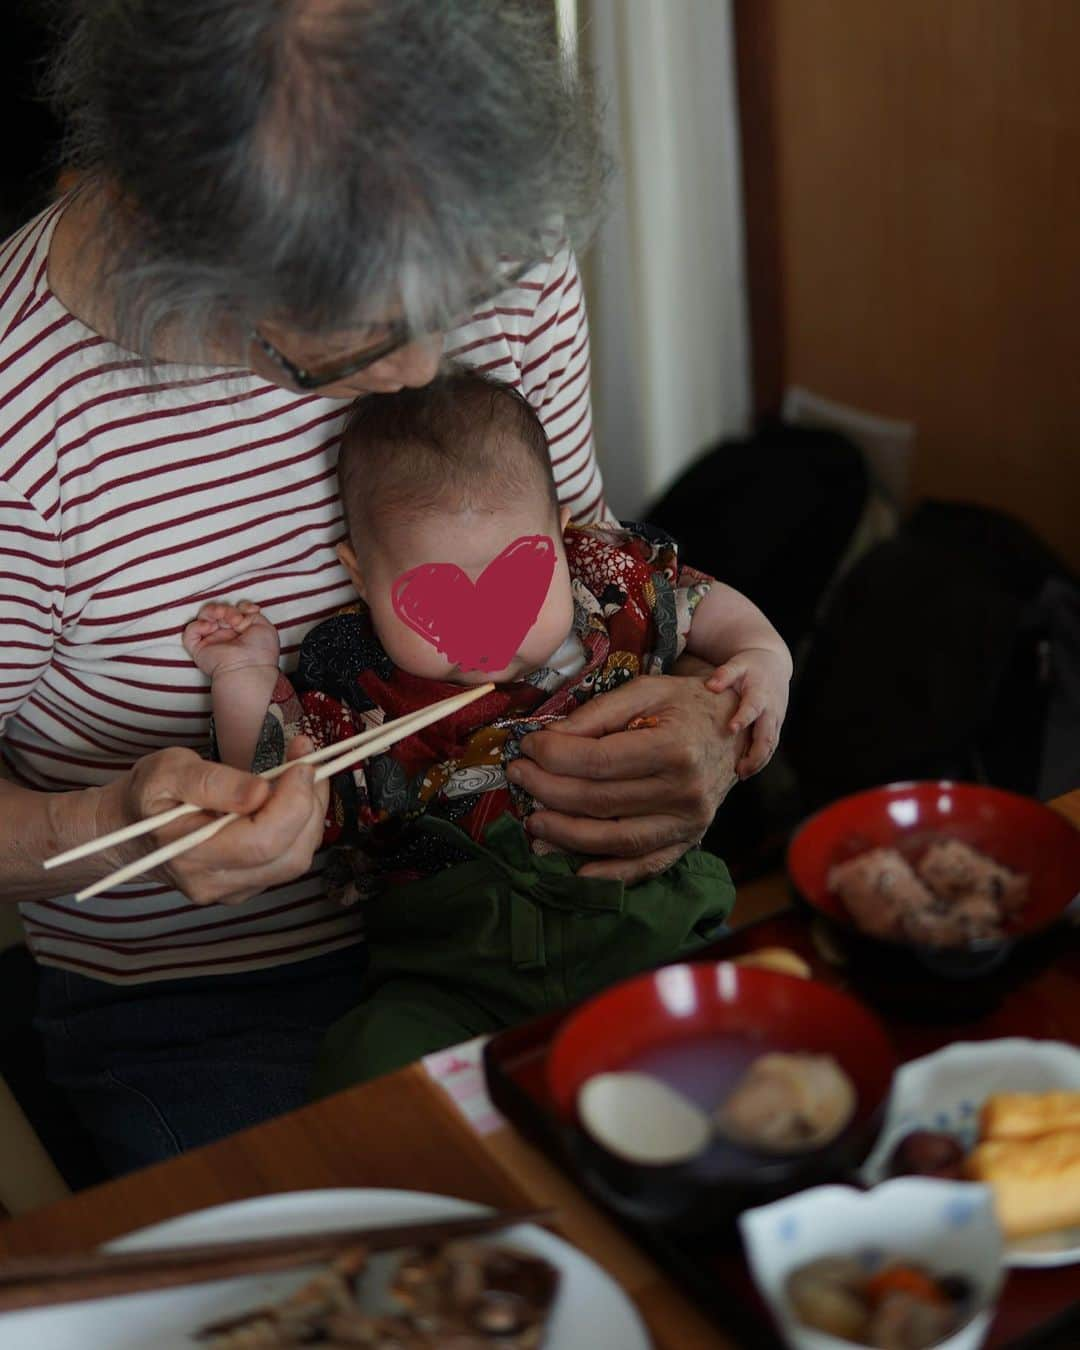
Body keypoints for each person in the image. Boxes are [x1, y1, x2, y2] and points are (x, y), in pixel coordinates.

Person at [0, 0, 745, 1176]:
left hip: (541, 899)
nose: (414, 370)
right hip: (220, 1004)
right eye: (341, 352)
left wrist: (719, 706)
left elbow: (592, 565)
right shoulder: (20, 418)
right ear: (172, 235)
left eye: (453, 304)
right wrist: (98, 825)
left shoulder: (476, 231)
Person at [182, 370, 792, 1088]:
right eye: (432, 597)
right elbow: (271, 783)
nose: (488, 636)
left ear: (563, 537)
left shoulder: (606, 593)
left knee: (751, 1010)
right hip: (454, 968)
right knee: (367, 1057)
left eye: (517, 580)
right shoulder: (361, 692)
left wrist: (762, 654)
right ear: (360, 574)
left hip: (640, 918)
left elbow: (695, 598)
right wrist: (243, 678)